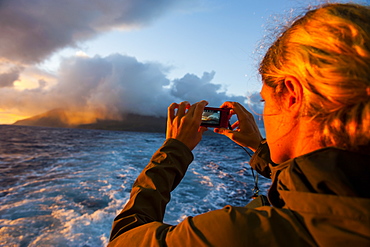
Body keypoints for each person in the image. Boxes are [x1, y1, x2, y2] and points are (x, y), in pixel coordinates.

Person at [108, 3, 370, 246]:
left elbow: (123, 240)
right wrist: (258, 146)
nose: (263, 113)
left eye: (265, 100)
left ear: (291, 95)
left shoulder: (237, 234)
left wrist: (174, 149)